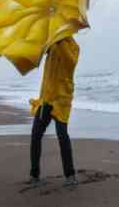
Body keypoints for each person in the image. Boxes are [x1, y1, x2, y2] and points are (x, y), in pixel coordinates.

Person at [28, 37, 80, 187]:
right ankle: (34, 175)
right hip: (46, 99)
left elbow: (70, 62)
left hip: (62, 100)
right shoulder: (51, 44)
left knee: (62, 134)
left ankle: (70, 176)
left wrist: (59, 41)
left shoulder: (74, 47)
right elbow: (38, 54)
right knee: (36, 134)